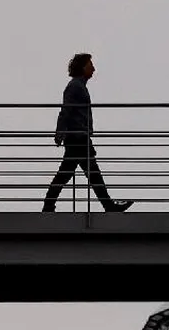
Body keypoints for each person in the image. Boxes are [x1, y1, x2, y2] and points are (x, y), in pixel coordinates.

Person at [42, 53, 133, 212]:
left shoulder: (79, 86)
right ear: (82, 67)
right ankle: (108, 205)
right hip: (77, 138)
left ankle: (49, 204)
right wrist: (59, 133)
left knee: (72, 173)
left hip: (79, 137)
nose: (93, 68)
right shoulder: (75, 86)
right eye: (90, 65)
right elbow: (66, 110)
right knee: (87, 173)